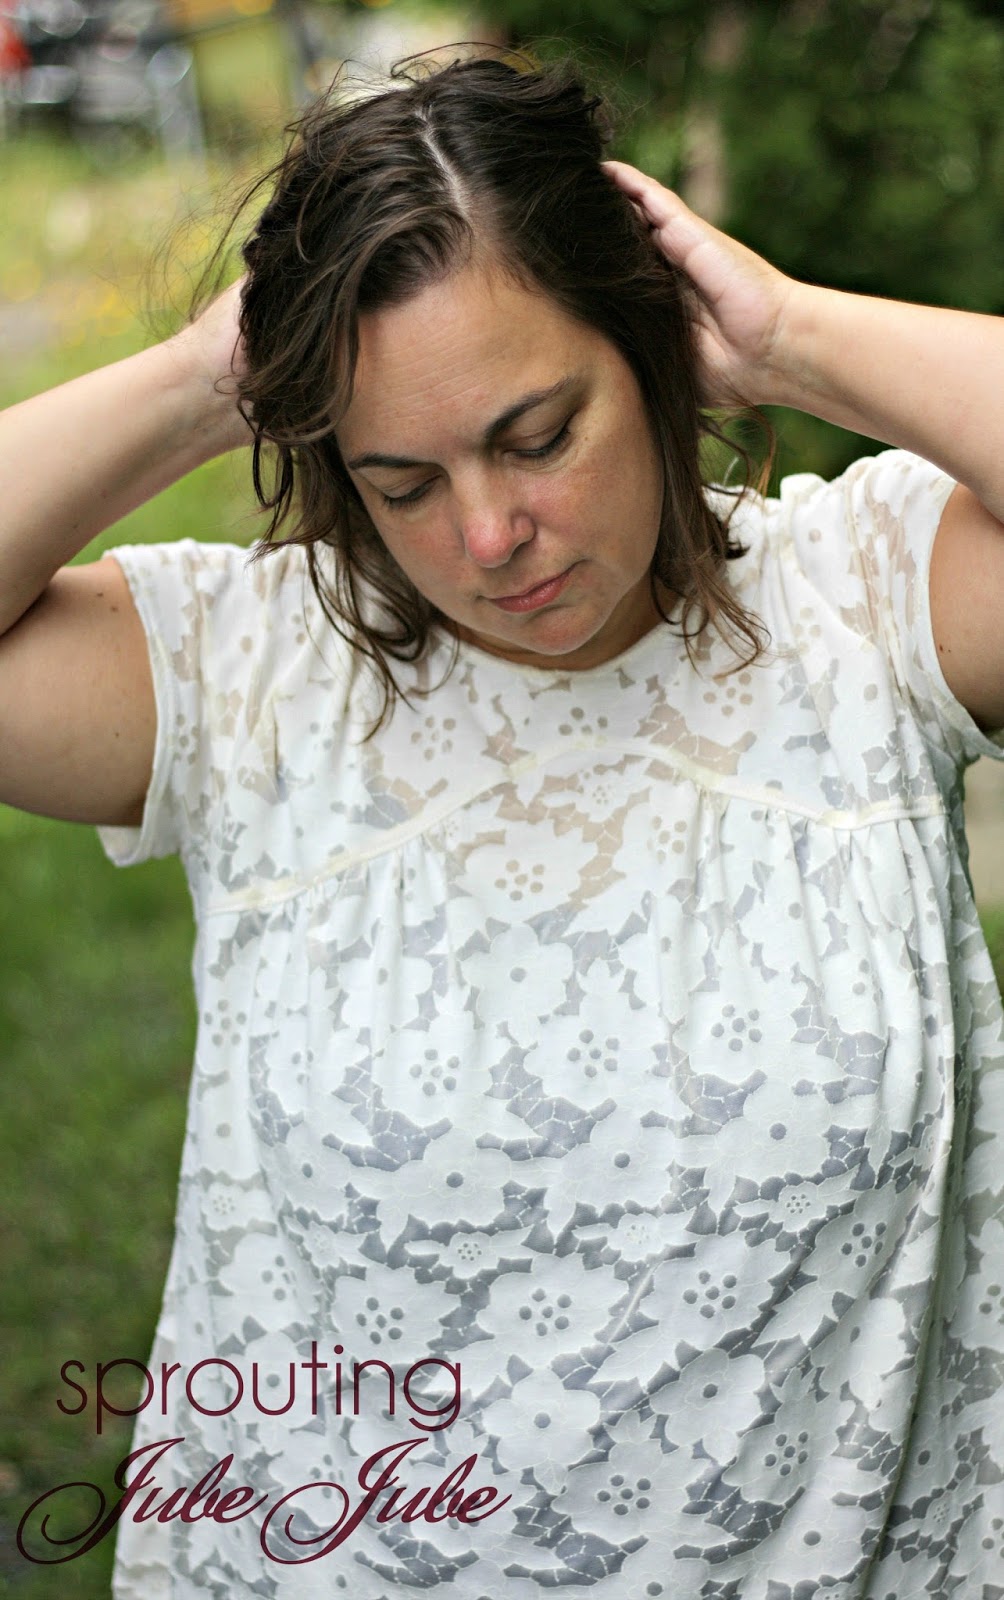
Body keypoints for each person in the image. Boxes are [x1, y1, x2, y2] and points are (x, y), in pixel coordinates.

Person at [3, 45, 1003, 1600]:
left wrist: (794, 337)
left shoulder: (859, 606)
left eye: (538, 436)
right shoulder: (252, 671)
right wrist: (205, 381)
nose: (487, 536)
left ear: (653, 354)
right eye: (403, 481)